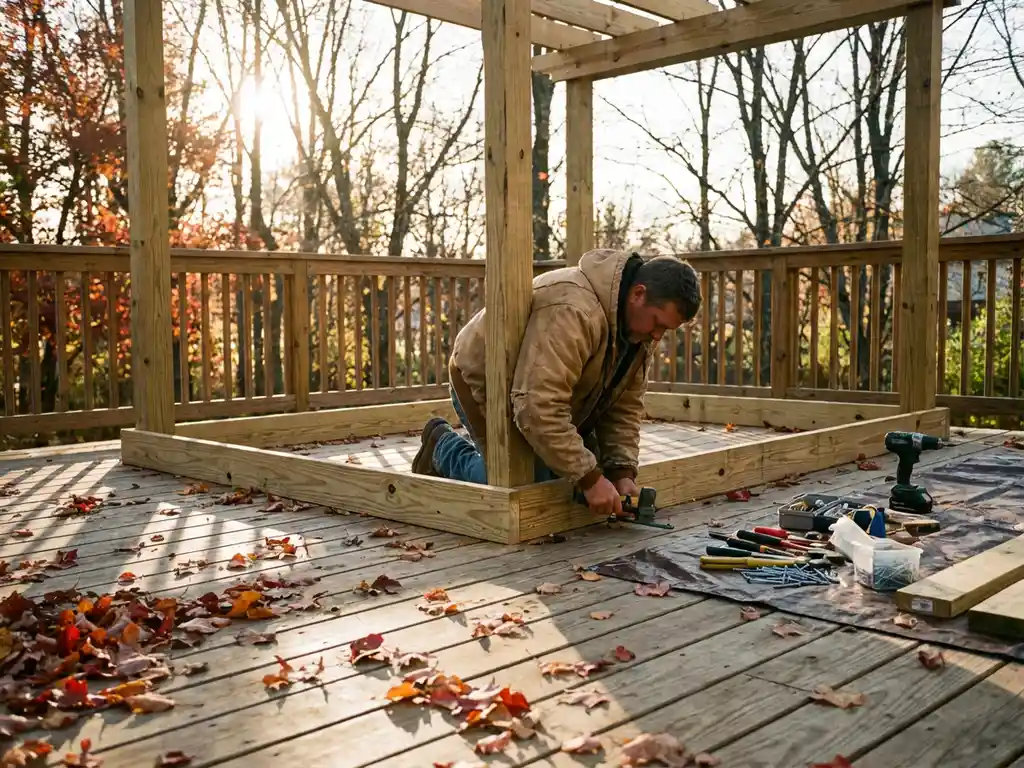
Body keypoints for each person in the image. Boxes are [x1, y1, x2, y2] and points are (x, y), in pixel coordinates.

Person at [411, 248, 702, 519]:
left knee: (578, 476)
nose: (657, 336)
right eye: (658, 323)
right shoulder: (574, 310)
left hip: (539, 393)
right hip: (486, 381)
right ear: (638, 294)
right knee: (523, 485)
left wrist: (621, 472)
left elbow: (623, 406)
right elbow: (537, 407)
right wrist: (589, 478)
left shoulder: (638, 331)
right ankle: (442, 446)